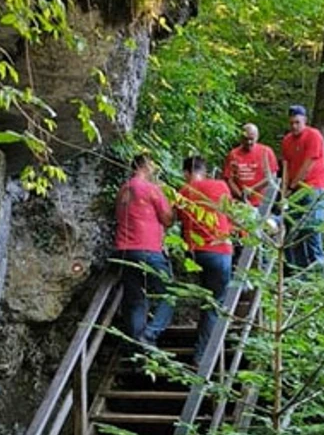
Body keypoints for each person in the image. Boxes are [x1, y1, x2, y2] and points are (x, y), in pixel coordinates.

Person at [177, 155, 233, 365]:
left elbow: (181, 221)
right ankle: (202, 356)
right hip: (220, 250)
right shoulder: (220, 185)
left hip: (196, 254)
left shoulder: (184, 192)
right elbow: (230, 214)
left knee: (208, 297)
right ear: (204, 170)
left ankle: (201, 351)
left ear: (186, 173)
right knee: (215, 302)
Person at [115, 153, 175, 348]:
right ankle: (149, 335)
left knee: (135, 300)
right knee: (169, 294)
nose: (154, 170)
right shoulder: (150, 189)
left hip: (124, 250)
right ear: (145, 166)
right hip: (147, 249)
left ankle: (138, 350)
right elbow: (167, 219)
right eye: (152, 166)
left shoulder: (123, 189)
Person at [280, 105, 324, 271]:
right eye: (292, 123)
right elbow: (286, 166)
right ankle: (298, 272)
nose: (294, 126)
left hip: (313, 186)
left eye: (297, 122)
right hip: (295, 190)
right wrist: (285, 188)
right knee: (294, 230)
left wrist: (293, 186)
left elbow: (308, 164)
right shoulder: (287, 140)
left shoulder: (313, 135)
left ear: (304, 121)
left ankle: (319, 272)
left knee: (312, 230)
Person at [223, 123, 279, 213]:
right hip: (240, 202)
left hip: (262, 202)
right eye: (246, 139)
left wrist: (252, 189)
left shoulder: (266, 152)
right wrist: (241, 195)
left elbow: (272, 177)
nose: (249, 142)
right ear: (241, 138)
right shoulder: (233, 154)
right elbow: (229, 179)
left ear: (257, 137)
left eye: (251, 139)